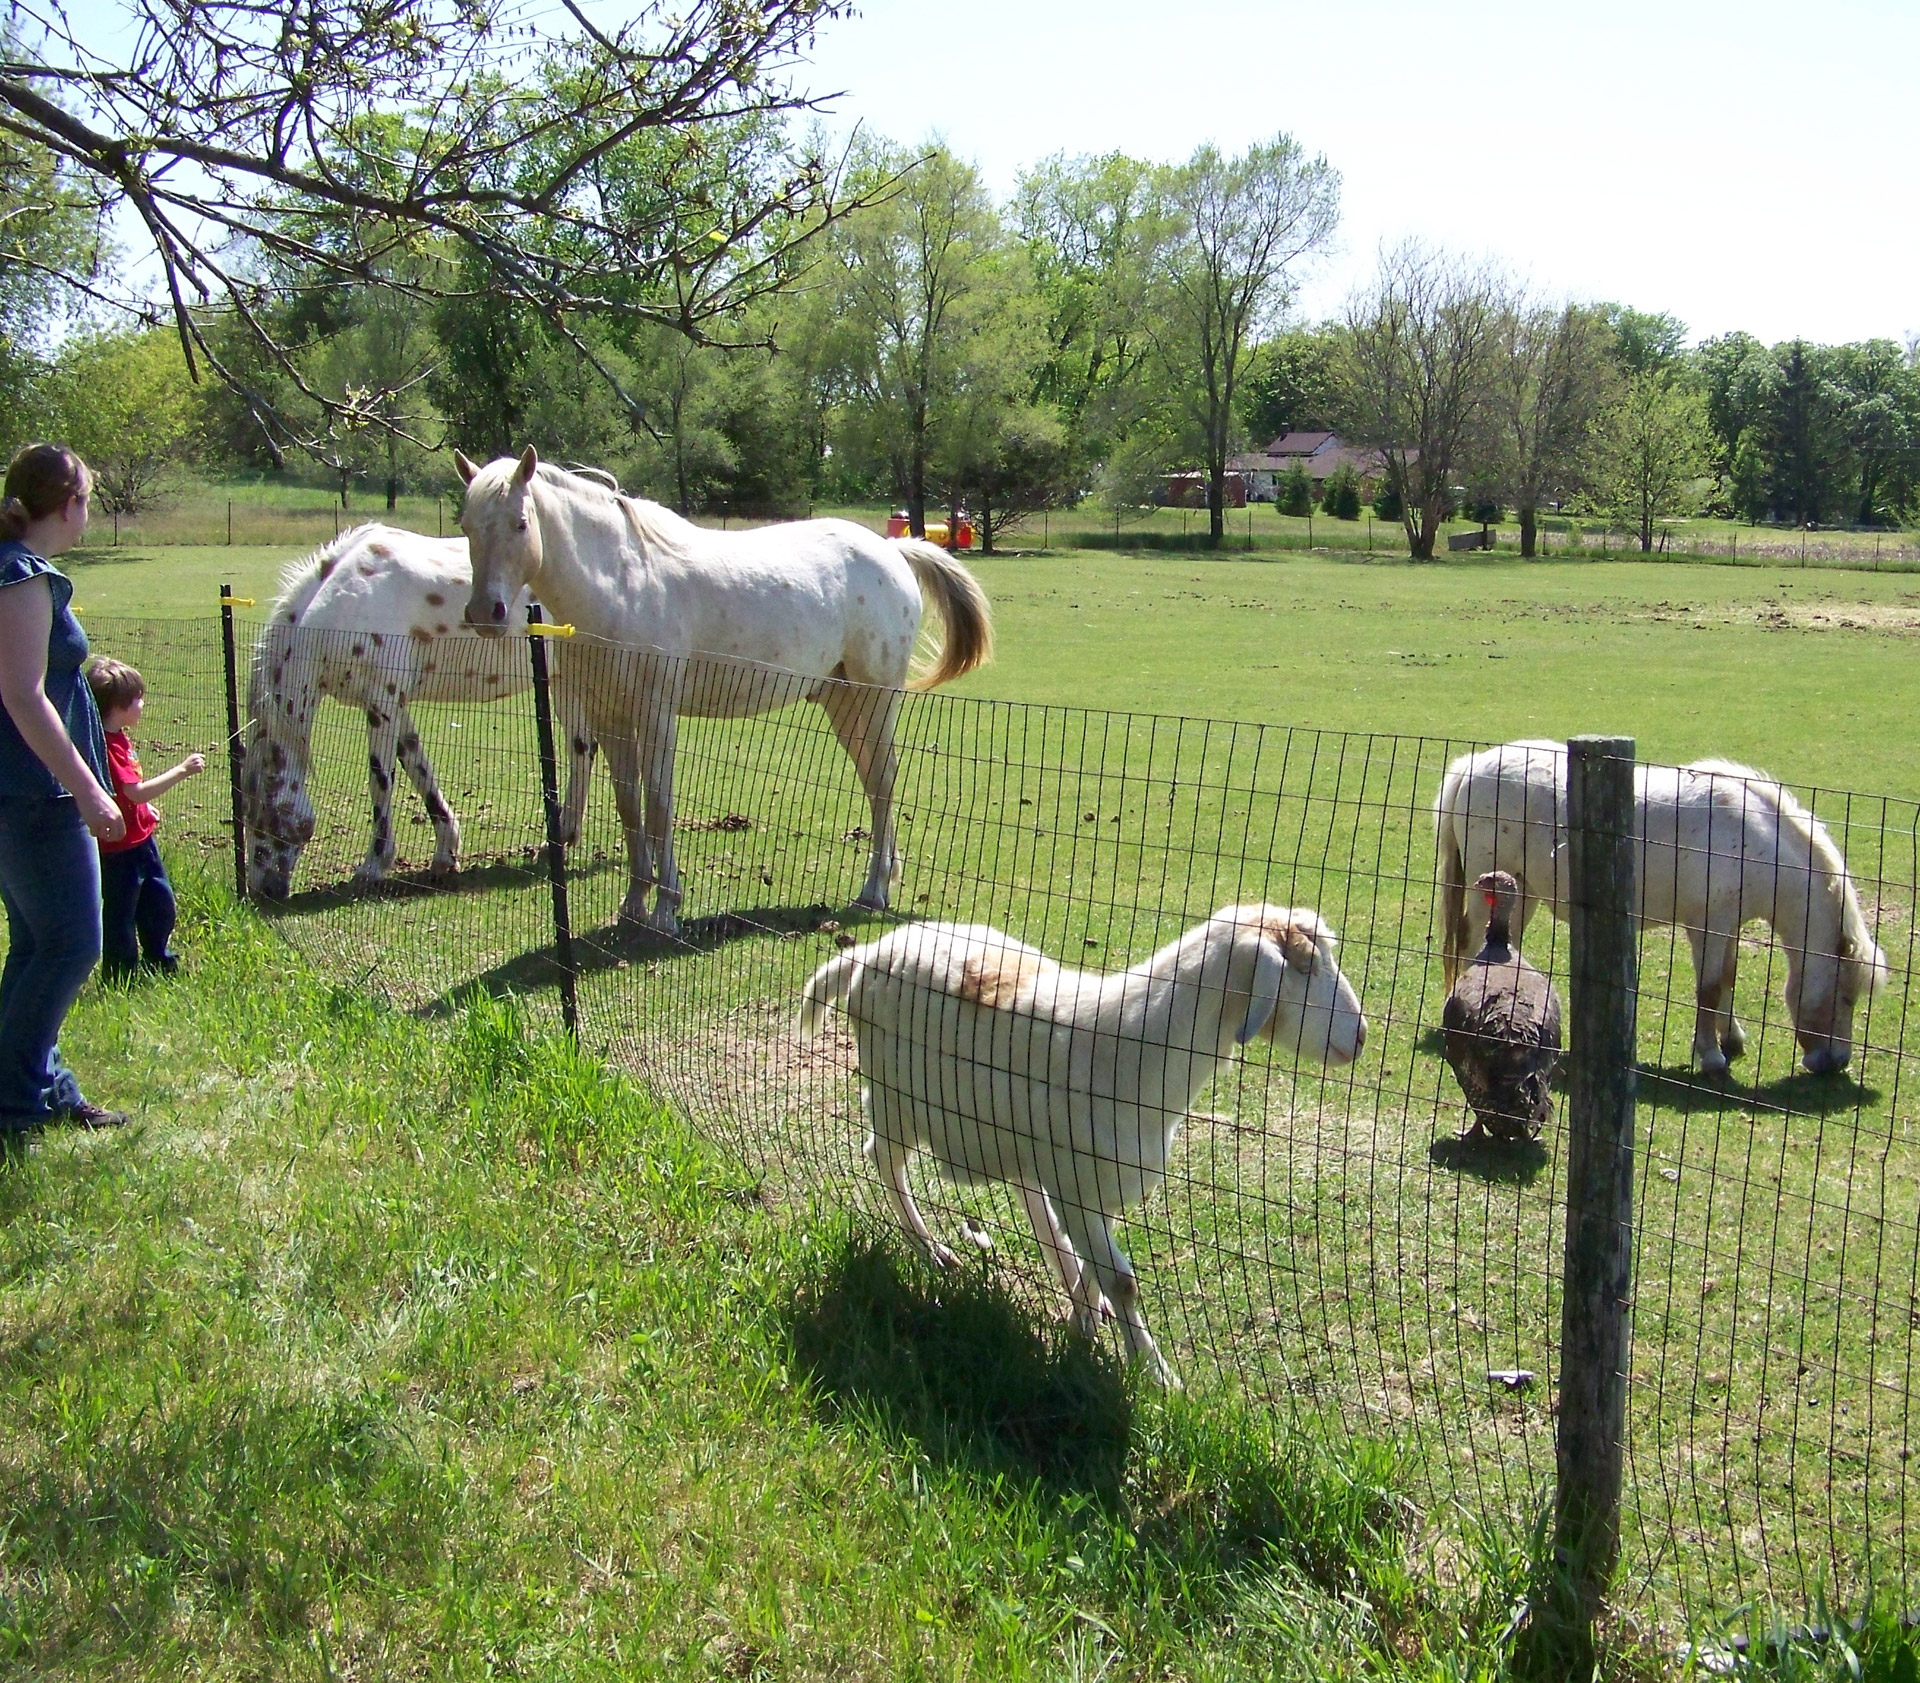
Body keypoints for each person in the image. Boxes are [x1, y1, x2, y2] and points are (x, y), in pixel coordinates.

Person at [0, 442, 127, 1139]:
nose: (89, 511)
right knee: (74, 944)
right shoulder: (20, 576)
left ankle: (41, 1086)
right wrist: (86, 789)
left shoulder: (19, 571)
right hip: (36, 795)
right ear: (68, 503)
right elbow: (22, 694)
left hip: (22, 793)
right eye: (86, 498)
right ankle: (15, 1101)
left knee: (36, 947)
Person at [85, 657, 206, 979]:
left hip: (141, 839)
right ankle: (121, 972)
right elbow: (134, 791)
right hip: (119, 849)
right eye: (138, 699)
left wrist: (142, 811)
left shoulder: (119, 737)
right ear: (119, 705)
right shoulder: (107, 746)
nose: (143, 704)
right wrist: (181, 770)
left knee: (158, 900)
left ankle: (159, 957)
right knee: (121, 913)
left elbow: (126, 796)